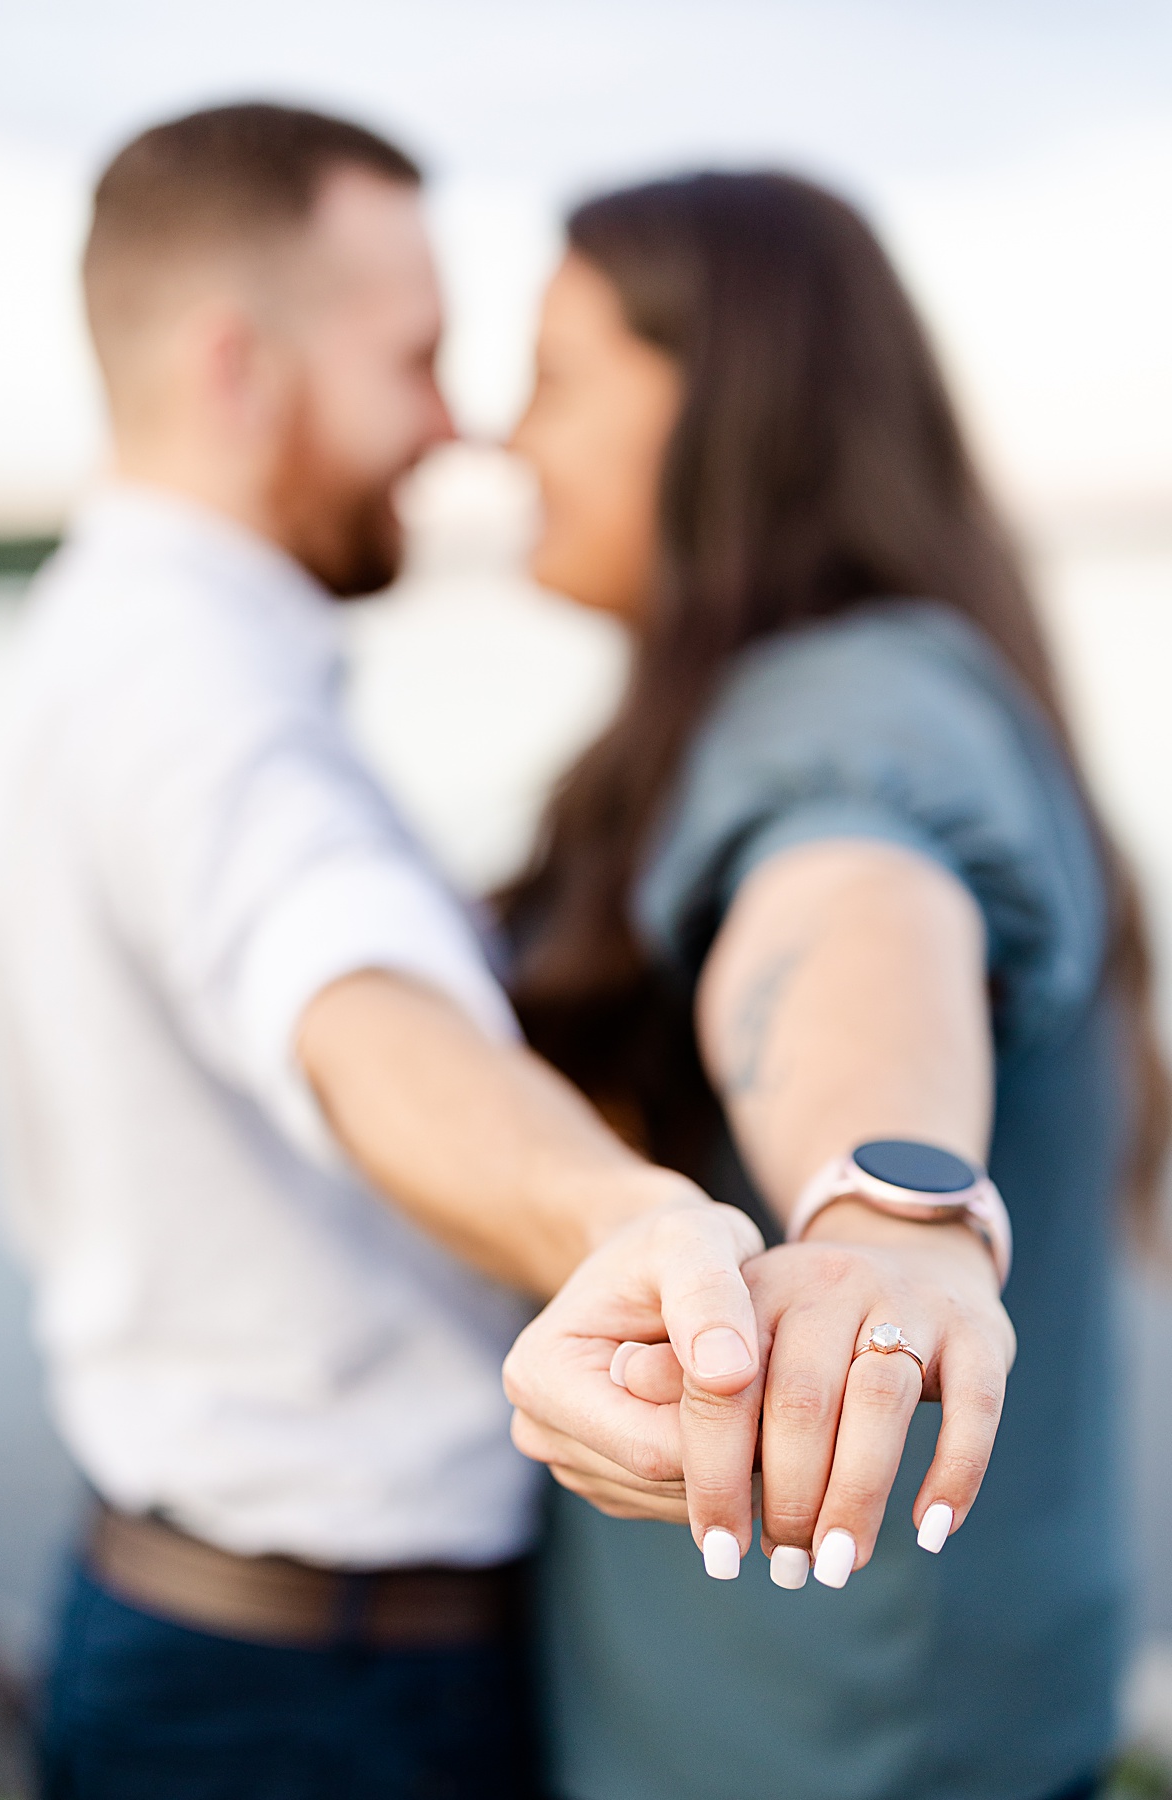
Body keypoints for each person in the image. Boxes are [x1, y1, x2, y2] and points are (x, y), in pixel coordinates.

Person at [0, 107, 768, 1800]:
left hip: (231, 1639)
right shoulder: (193, 700)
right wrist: (629, 1231)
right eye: (412, 360)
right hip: (308, 1703)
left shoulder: (124, 642)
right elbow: (349, 998)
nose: (453, 424)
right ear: (237, 369)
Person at [500, 171, 1168, 1800]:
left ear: (731, 401)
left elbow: (857, 889)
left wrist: (881, 1217)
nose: (505, 438)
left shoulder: (853, 696)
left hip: (848, 1741)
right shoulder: (785, 688)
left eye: (556, 380)